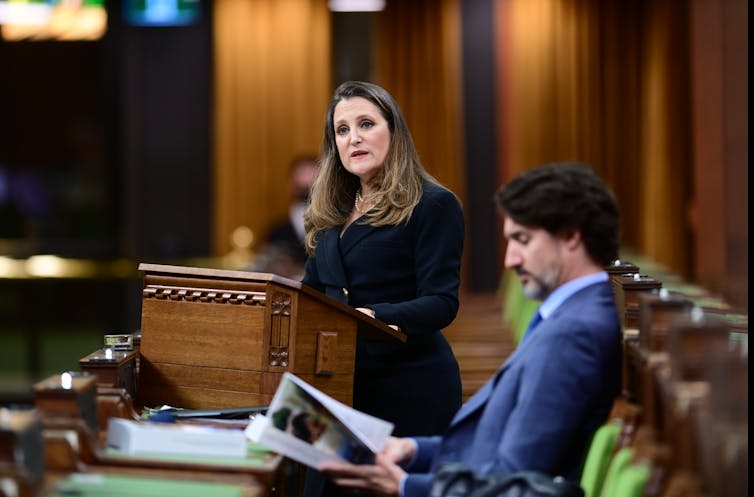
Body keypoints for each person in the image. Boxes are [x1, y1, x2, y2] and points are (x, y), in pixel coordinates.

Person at [318, 161, 623, 497]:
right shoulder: (573, 315)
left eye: (522, 239)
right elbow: (500, 448)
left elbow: (514, 481)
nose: (511, 260)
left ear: (570, 237)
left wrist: (405, 486)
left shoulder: (574, 332)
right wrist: (413, 450)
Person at [302, 80, 465, 439]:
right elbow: (310, 298)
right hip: (338, 384)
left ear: (394, 132)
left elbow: (441, 302)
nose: (354, 138)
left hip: (409, 387)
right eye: (342, 130)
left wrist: (376, 316)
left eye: (366, 124)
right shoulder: (329, 212)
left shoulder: (433, 204)